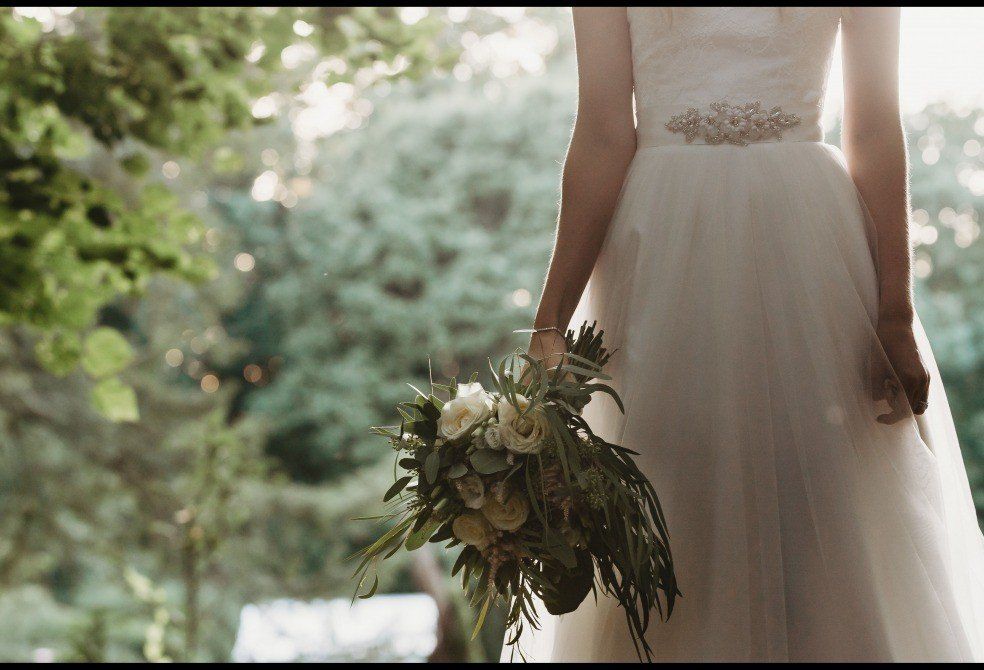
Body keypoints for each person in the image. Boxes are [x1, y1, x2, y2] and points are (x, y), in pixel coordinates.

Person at [511, 7, 984, 662]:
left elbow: (874, 127)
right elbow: (601, 134)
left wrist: (894, 313)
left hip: (811, 251)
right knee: (664, 507)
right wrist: (549, 322)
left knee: (830, 520)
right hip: (660, 259)